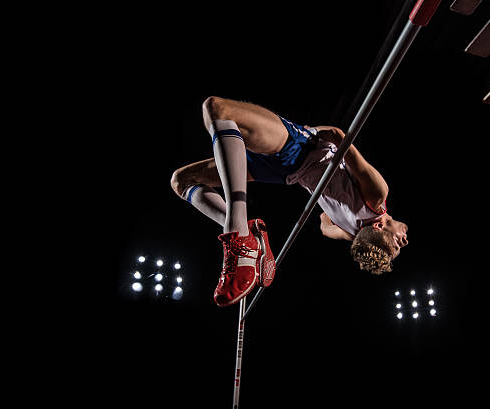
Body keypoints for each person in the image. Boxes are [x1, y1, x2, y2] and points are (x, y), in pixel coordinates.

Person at [170, 96, 409, 307]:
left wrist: (317, 134)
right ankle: (248, 234)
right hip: (285, 173)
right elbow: (324, 224)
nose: (405, 240)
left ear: (379, 227)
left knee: (217, 108)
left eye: (397, 244)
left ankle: (238, 234)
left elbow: (338, 136)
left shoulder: (377, 196)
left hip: (297, 149)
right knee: (181, 181)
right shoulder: (352, 233)